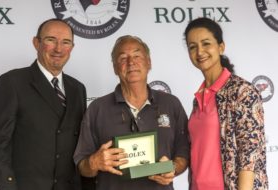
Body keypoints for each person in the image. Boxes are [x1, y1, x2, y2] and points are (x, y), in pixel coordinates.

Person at [0, 18, 92, 190]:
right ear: (36, 43)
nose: (58, 49)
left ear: (71, 47)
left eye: (66, 42)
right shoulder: (12, 82)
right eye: (51, 40)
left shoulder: (78, 89)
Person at [73, 35, 189, 190]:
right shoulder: (97, 108)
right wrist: (94, 162)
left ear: (149, 62)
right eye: (123, 58)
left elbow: (184, 152)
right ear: (114, 67)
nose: (131, 62)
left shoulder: (171, 103)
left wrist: (173, 167)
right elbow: (82, 166)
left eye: (137, 56)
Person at [184, 17, 268, 190]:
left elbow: (249, 156)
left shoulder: (242, 91)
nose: (200, 52)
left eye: (206, 43)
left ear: (221, 47)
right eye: (193, 47)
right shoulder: (197, 99)